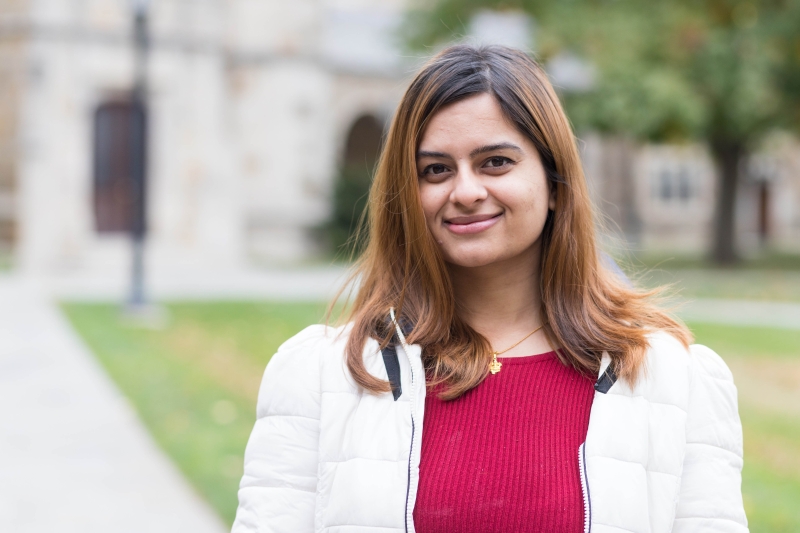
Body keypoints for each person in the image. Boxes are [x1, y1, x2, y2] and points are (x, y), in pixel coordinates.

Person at [231, 45, 748, 533]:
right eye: (435, 170)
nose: (466, 191)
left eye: (495, 162)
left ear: (553, 181)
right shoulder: (322, 377)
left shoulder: (675, 380)